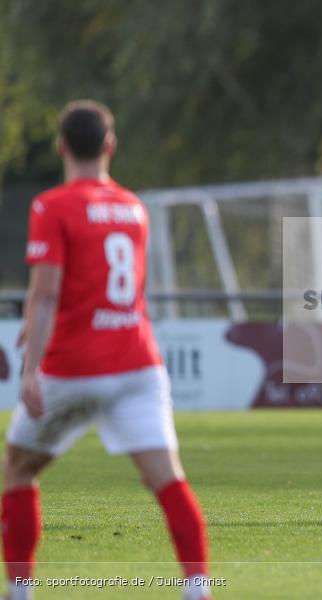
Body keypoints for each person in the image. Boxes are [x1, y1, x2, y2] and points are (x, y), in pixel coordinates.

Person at [3, 101, 211, 600]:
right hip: (138, 363)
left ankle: (19, 591)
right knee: (168, 480)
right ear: (110, 146)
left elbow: (48, 292)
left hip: (75, 368)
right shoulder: (133, 207)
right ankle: (198, 588)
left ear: (61, 147)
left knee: (18, 469)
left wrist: (30, 370)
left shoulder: (51, 206)